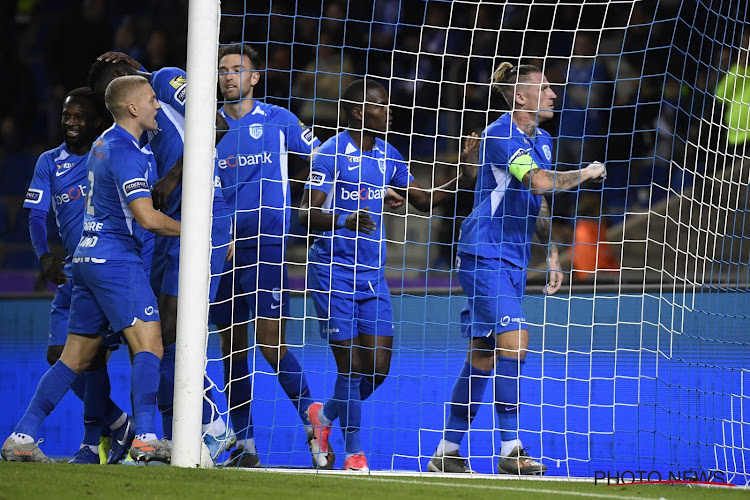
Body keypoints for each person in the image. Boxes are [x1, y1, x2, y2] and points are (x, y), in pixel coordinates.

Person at [428, 62, 605, 475]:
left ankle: (447, 451)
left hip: (514, 258)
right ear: (521, 97)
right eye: (545, 89)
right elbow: (541, 183)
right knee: (517, 341)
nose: (554, 95)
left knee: (483, 356)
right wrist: (586, 172)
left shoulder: (541, 138)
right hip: (483, 252)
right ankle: (511, 451)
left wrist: (553, 252)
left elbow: (537, 203)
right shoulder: (500, 135)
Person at [299, 78, 478, 472]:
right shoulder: (330, 155)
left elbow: (425, 201)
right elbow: (304, 215)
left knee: (377, 370)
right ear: (360, 111)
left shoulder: (388, 155)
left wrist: (464, 175)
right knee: (350, 369)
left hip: (372, 277)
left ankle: (324, 417)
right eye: (382, 105)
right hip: (332, 274)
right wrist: (345, 218)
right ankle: (354, 454)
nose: (390, 111)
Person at [1, 75, 180, 464]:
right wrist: (194, 232)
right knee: (150, 345)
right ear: (133, 108)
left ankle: (22, 435)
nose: (157, 105)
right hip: (116, 259)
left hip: (84, 259)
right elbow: (147, 218)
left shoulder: (103, 144)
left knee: (74, 358)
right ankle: (147, 437)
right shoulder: (126, 151)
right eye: (151, 100)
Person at [88, 54, 234, 460]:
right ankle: (179, 434)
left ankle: (210, 426)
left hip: (201, 212)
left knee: (173, 331)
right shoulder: (127, 130)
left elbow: (217, 123)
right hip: (164, 224)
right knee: (159, 337)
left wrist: (171, 179)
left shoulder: (167, 80)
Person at [212, 43, 323, 468]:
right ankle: (246, 445)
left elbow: (323, 158)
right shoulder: (208, 127)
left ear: (255, 78)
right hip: (222, 250)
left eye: (237, 70)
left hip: (267, 245)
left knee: (270, 343)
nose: (228, 77)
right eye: (223, 70)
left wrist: (308, 200)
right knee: (231, 348)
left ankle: (314, 423)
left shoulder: (279, 120)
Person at [20, 87, 133, 465]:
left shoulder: (108, 155)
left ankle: (88, 445)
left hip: (105, 267)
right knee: (58, 355)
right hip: (71, 269)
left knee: (94, 358)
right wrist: (44, 257)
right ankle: (118, 422)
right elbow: (36, 215)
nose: (70, 122)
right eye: (67, 115)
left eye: (79, 116)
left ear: (98, 122)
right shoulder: (49, 162)